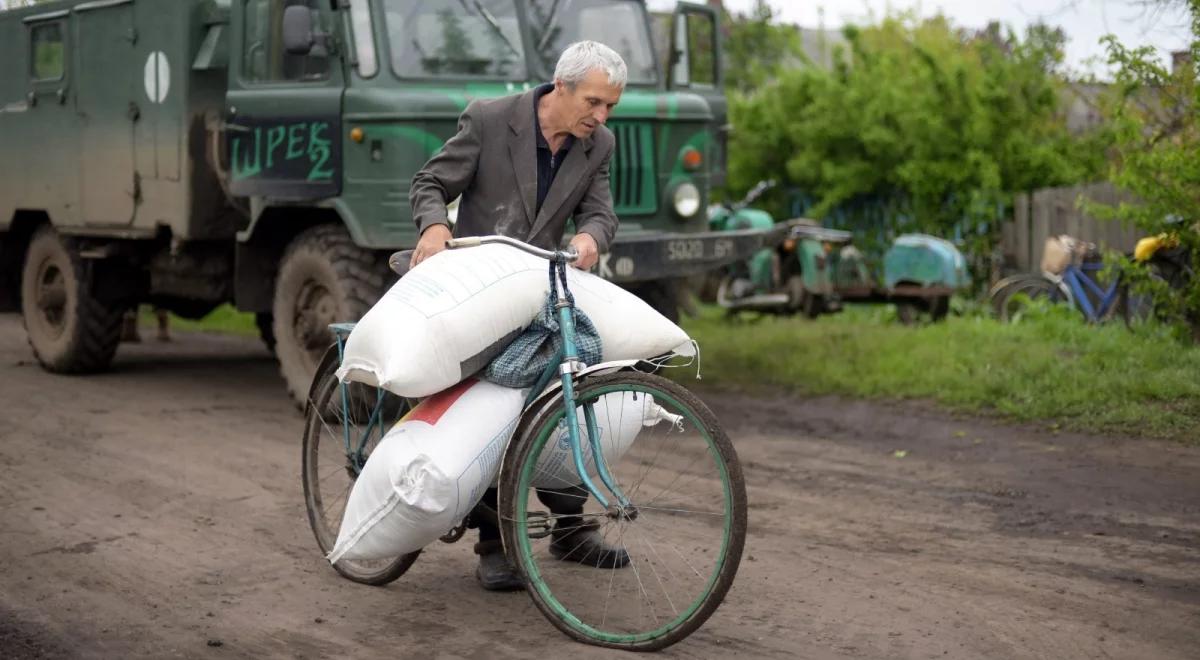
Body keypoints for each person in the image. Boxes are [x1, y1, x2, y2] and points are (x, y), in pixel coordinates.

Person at [409, 41, 630, 591]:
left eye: (610, 108)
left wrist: (589, 237)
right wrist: (435, 228)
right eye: (595, 103)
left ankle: (570, 527)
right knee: (491, 406)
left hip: (539, 287)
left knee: (567, 390)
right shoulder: (489, 119)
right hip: (475, 286)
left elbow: (601, 213)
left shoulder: (596, 143)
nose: (602, 118)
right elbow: (430, 183)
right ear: (562, 86)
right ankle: (493, 542)